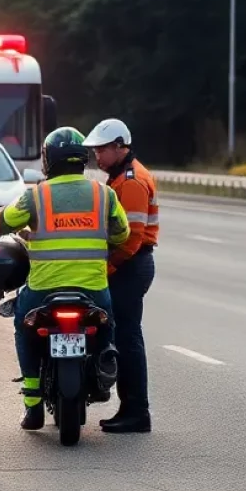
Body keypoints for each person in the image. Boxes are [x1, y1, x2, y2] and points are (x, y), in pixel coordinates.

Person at [0, 127, 130, 431]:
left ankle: (33, 403)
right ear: (83, 158)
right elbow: (122, 233)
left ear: (48, 160)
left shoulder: (36, 196)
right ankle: (104, 367)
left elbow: (0, 223)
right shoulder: (104, 194)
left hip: (43, 290)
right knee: (107, 323)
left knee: (23, 326)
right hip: (93, 289)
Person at [83, 119, 158, 434]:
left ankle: (137, 411)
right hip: (128, 264)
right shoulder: (119, 177)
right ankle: (130, 409)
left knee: (127, 339)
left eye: (101, 150)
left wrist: (106, 268)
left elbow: (130, 240)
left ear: (119, 146)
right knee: (123, 336)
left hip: (129, 265)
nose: (97, 156)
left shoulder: (130, 181)